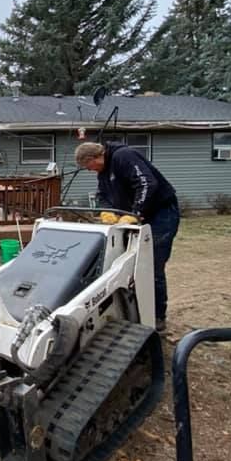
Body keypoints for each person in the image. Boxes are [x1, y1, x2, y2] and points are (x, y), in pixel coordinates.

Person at [74, 141, 180, 333]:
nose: (90, 171)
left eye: (89, 167)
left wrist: (135, 212)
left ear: (96, 157)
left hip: (161, 213)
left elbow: (147, 183)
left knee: (151, 265)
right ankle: (135, 310)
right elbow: (102, 195)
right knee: (127, 265)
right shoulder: (104, 172)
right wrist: (107, 210)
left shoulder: (123, 156)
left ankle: (156, 317)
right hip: (135, 216)